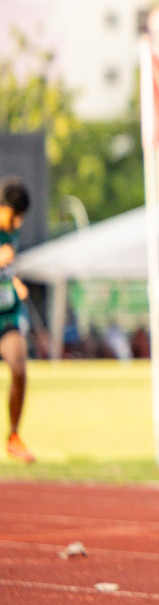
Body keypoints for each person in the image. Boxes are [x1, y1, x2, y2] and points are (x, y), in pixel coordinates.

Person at [0, 178, 35, 464]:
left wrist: (15, 282)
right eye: (14, 216)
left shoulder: (12, 233)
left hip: (8, 313)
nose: (18, 223)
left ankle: (13, 435)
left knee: (19, 367)